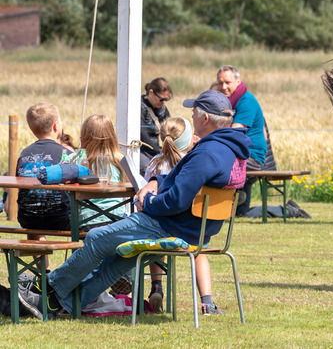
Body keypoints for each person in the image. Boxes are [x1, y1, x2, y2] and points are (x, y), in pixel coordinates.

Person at [15, 89, 250, 320]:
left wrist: (147, 201)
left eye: (194, 112)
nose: (191, 117)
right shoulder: (229, 149)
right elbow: (186, 179)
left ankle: (44, 287)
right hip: (196, 231)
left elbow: (177, 200)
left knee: (96, 238)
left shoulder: (207, 152)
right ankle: (59, 303)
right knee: (118, 260)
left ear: (206, 118)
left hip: (169, 226)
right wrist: (157, 181)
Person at [142, 116, 195, 313]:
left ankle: (156, 286)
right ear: (188, 139)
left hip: (157, 229)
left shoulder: (155, 163)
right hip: (186, 231)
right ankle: (206, 299)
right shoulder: (191, 163)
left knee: (154, 238)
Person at [7, 103, 71, 238]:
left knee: (34, 219)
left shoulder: (24, 154)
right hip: (62, 218)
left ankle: (40, 259)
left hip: (28, 218)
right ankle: (76, 259)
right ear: (56, 126)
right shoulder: (66, 152)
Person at [216, 65, 267, 215]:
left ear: (238, 81)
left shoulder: (245, 101)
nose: (223, 87)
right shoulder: (232, 100)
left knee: (214, 164)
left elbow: (234, 132)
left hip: (251, 156)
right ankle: (233, 202)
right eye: (220, 83)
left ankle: (222, 202)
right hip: (240, 153)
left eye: (227, 82)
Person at [71, 114, 128, 230]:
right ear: (111, 134)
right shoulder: (120, 158)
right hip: (118, 220)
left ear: (84, 134)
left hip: (87, 221)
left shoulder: (75, 158)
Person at [140, 77, 173, 171]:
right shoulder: (139, 107)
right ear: (151, 92)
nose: (164, 102)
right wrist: (160, 152)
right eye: (161, 99)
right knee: (148, 168)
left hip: (156, 150)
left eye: (167, 99)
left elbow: (170, 130)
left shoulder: (162, 109)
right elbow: (143, 136)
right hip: (141, 150)